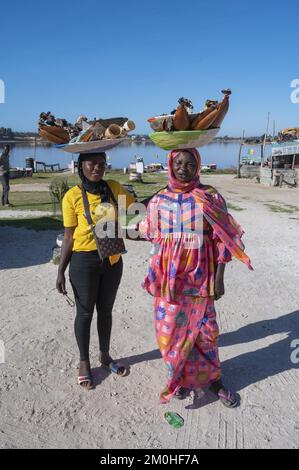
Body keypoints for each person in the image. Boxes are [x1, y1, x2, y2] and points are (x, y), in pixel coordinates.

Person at [139, 148, 253, 407]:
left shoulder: (210, 197)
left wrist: (219, 278)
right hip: (169, 282)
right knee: (170, 332)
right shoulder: (158, 200)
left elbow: (223, 238)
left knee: (206, 332)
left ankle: (213, 379)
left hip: (201, 279)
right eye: (178, 162)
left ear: (197, 166)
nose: (183, 168)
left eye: (190, 164)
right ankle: (177, 378)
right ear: (170, 165)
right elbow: (152, 238)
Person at [56, 152, 135, 390]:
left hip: (112, 260)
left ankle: (104, 355)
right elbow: (69, 237)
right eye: (92, 163)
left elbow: (136, 211)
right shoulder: (72, 196)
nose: (97, 168)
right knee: (84, 314)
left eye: (102, 163)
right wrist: (61, 270)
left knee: (106, 311)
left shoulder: (113, 188)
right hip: (84, 262)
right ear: (81, 166)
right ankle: (84, 362)